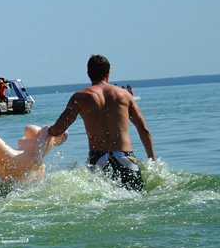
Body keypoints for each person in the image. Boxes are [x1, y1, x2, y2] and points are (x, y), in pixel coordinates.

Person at [47, 55, 155, 191]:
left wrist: (46, 131)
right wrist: (152, 161)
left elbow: (58, 129)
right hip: (125, 157)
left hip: (98, 160)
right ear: (108, 74)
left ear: (88, 74)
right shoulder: (124, 95)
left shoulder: (80, 97)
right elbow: (143, 129)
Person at [0, 125, 68, 188]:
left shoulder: (47, 131)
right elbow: (38, 174)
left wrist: (38, 155)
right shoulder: (45, 146)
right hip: (19, 170)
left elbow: (44, 136)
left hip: (17, 162)